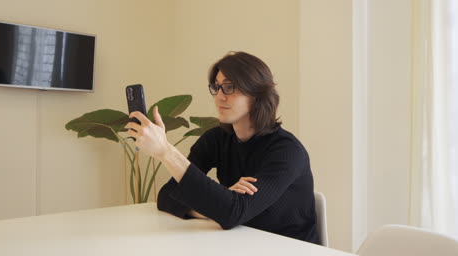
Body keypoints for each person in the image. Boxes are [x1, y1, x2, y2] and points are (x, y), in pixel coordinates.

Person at [125, 51, 320, 244]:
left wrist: (166, 152)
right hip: (240, 245)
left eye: (229, 87)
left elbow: (232, 213)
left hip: (290, 253)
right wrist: (218, 204)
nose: (219, 97)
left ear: (257, 94)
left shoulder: (288, 152)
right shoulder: (217, 139)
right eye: (217, 87)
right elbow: (167, 196)